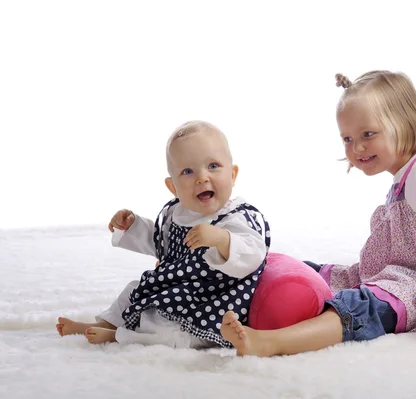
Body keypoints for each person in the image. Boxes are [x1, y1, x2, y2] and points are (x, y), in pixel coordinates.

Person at [220, 70, 416, 357]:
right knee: (310, 271)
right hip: (390, 274)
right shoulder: (406, 177)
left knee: (359, 307)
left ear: (403, 123)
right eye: (347, 138)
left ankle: (271, 343)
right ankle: (221, 301)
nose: (356, 148)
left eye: (368, 134)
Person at [57, 120, 270, 349]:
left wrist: (221, 239)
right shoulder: (176, 213)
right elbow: (160, 243)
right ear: (173, 187)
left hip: (213, 299)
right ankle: (106, 324)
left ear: (233, 174)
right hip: (177, 289)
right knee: (134, 290)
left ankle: (122, 337)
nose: (202, 177)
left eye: (213, 166)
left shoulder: (235, 217)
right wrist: (132, 226)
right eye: (188, 171)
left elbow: (253, 254)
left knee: (171, 330)